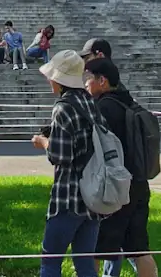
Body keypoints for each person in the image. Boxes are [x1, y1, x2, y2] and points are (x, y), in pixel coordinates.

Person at [84, 58, 156, 277]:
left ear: (102, 81)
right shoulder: (131, 103)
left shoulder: (102, 108)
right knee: (140, 248)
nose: (85, 84)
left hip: (113, 188)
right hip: (139, 184)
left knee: (93, 249)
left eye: (88, 79)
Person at [32, 49, 101, 277]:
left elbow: (59, 155)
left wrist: (43, 142)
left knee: (50, 261)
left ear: (59, 80)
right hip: (92, 197)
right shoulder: (91, 103)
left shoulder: (62, 107)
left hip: (68, 197)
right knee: (85, 264)